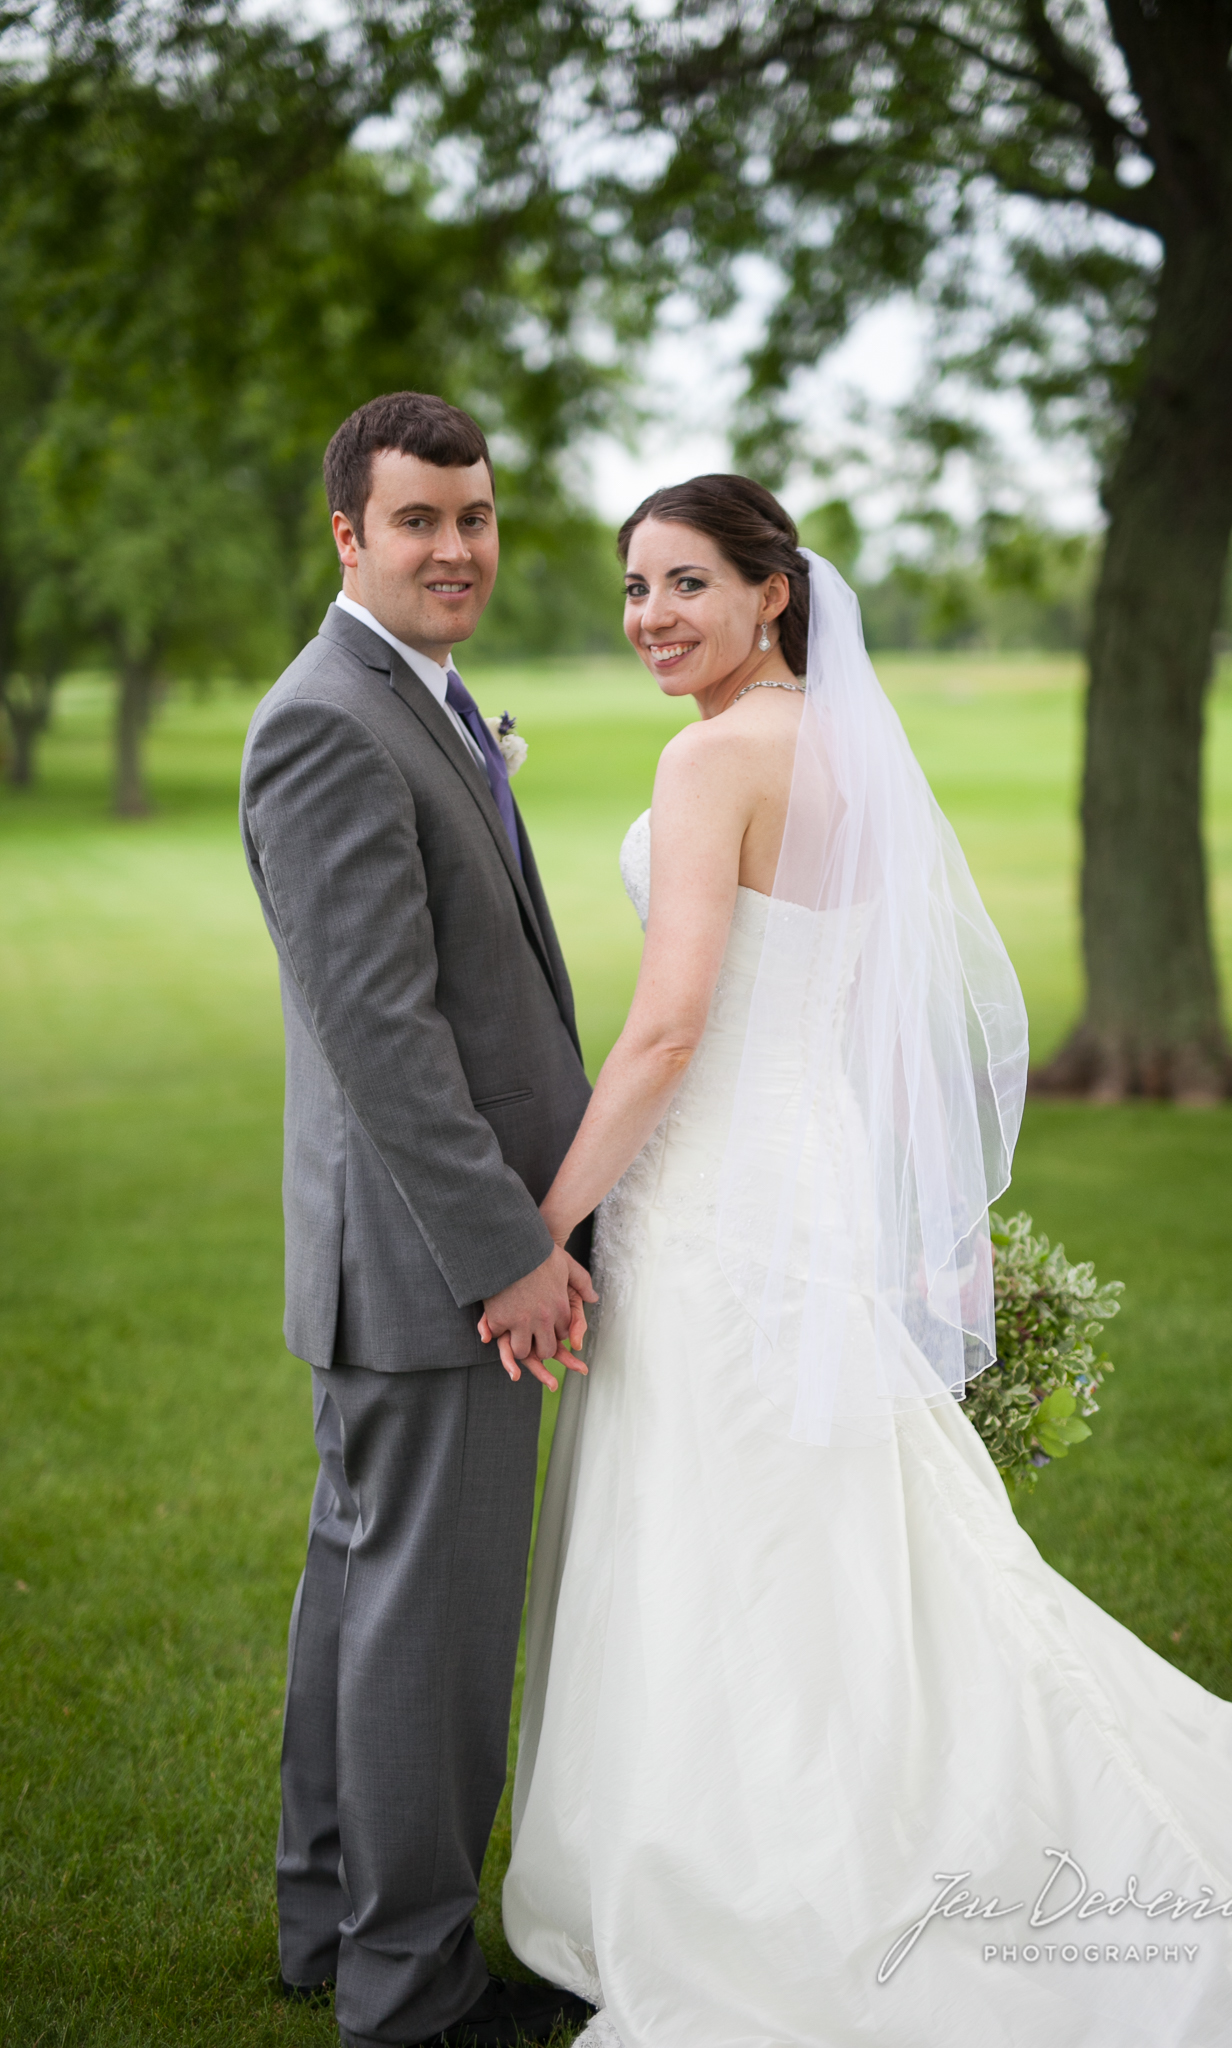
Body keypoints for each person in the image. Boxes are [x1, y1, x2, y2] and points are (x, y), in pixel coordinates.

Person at [500, 475, 1232, 2045]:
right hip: (807, 1178)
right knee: (825, 1522)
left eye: (684, 583)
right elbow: (877, 1019)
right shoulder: (848, 753)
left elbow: (671, 1025)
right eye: (634, 589)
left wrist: (540, 1225)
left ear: (773, 591)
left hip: (712, 1193)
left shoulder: (710, 760)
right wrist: (927, 1221)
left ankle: (756, 1868)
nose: (648, 619)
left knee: (721, 1523)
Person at [240, 391, 595, 2048]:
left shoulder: (419, 700)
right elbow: (384, 1039)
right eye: (418, 522)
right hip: (434, 1267)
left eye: (475, 518)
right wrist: (510, 1255)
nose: (456, 549)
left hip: (408, 1261)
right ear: (346, 538)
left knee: (369, 1601)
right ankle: (412, 1992)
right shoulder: (330, 719)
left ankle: (330, 1922)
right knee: (425, 1639)